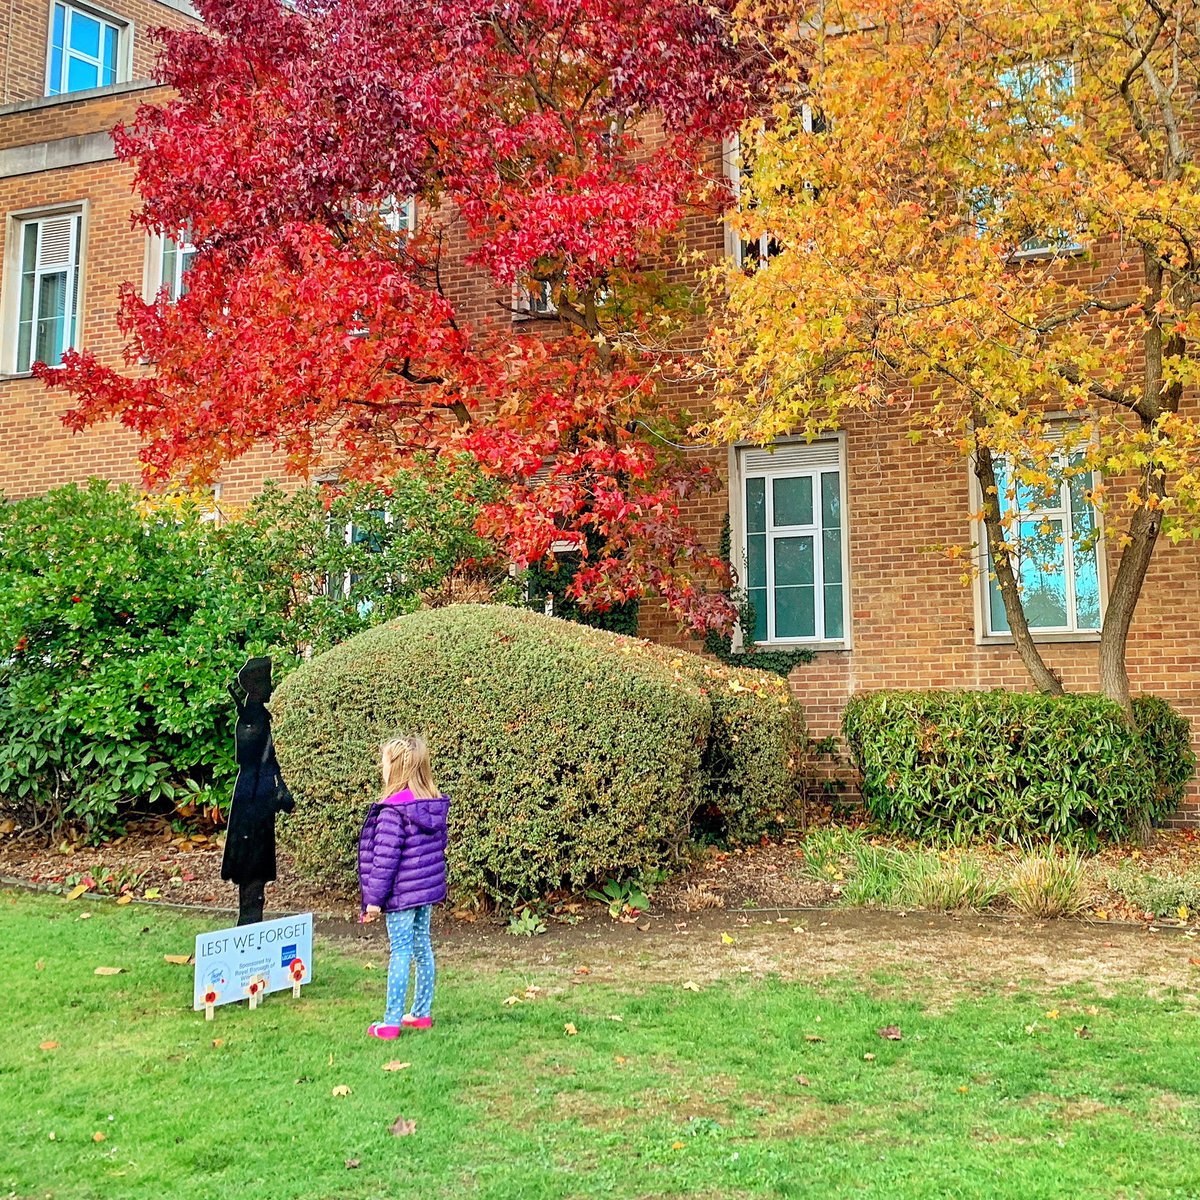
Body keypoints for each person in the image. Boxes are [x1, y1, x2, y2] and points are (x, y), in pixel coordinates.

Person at [357, 735, 450, 1038]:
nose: (381, 769)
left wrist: (373, 900)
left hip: (400, 896)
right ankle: (420, 1013)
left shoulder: (392, 812)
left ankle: (391, 1021)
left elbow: (384, 860)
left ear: (395, 768)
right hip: (425, 893)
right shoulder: (431, 807)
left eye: (384, 763)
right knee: (422, 946)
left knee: (400, 950)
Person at [220, 657, 294, 926]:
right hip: (252, 793)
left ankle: (252, 913)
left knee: (257, 860)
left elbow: (269, 758)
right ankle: (248, 917)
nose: (271, 687)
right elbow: (254, 757)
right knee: (252, 859)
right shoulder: (253, 718)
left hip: (257, 790)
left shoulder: (258, 716)